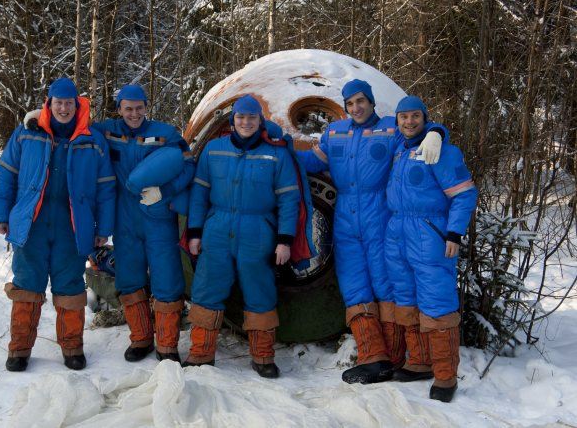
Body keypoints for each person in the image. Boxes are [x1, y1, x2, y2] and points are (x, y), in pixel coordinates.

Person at [296, 79, 446, 384]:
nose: (356, 108)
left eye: (361, 101)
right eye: (350, 103)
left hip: (381, 217)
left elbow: (417, 132)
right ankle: (372, 357)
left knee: (386, 284)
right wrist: (277, 145)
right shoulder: (335, 132)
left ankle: (398, 356)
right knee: (354, 286)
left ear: (372, 101)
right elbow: (313, 160)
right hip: (346, 220)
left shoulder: (391, 129)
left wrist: (437, 133)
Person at [0, 77, 116, 372]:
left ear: (77, 104)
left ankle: (73, 347)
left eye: (68, 103)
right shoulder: (27, 133)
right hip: (32, 223)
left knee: (70, 288)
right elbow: (6, 173)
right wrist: (0, 213)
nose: (63, 108)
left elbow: (106, 187)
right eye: (58, 103)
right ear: (49, 104)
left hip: (73, 226)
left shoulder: (92, 139)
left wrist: (102, 228)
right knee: (26, 286)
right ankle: (19, 349)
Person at [185, 95, 301, 378]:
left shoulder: (277, 154)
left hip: (257, 230)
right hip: (217, 228)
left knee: (259, 288)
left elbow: (289, 200)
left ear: (260, 120)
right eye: (240, 117)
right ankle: (200, 351)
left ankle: (263, 356)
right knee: (207, 286)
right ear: (232, 120)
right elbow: (199, 194)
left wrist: (285, 240)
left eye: (251, 117)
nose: (246, 122)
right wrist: (195, 233)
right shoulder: (214, 150)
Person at [90, 84, 194, 363]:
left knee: (167, 277)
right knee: (129, 276)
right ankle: (141, 339)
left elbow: (188, 165)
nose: (134, 114)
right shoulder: (106, 131)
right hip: (124, 218)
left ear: (146, 107)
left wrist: (166, 191)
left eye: (139, 108)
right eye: (128, 108)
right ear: (119, 108)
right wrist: (38, 120)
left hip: (158, 216)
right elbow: (74, 129)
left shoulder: (165, 133)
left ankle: (168, 345)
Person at [385, 96, 477, 402]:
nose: (409, 122)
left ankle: (445, 376)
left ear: (424, 118)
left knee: (437, 302)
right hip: (398, 232)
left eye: (415, 117)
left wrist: (454, 233)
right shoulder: (400, 148)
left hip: (429, 233)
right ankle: (420, 361)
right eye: (403, 117)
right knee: (407, 300)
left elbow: (464, 195)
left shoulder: (441, 151)